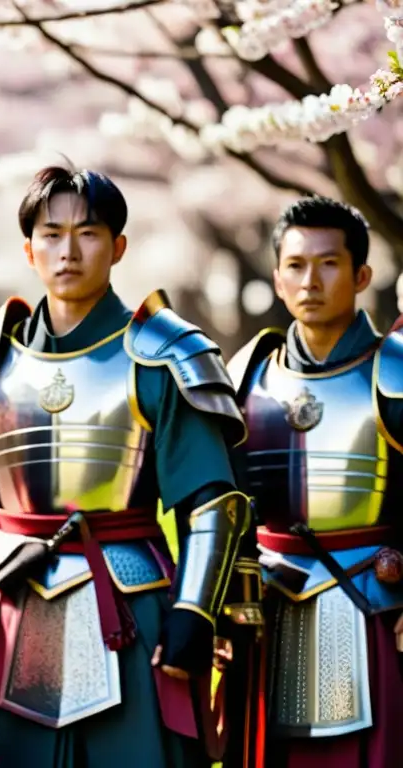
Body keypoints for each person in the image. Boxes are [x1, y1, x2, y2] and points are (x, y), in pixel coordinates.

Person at [0, 164, 250, 768]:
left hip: (132, 610)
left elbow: (210, 502)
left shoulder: (162, 354)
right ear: (28, 248)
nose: (68, 250)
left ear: (118, 247)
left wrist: (195, 611)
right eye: (51, 233)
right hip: (13, 608)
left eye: (88, 233)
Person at [227, 196, 403, 767]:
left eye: (329, 264)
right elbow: (221, 507)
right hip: (267, 610)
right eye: (297, 266)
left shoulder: (394, 368)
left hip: (375, 605)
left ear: (362, 276)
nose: (311, 281)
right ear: (277, 279)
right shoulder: (247, 373)